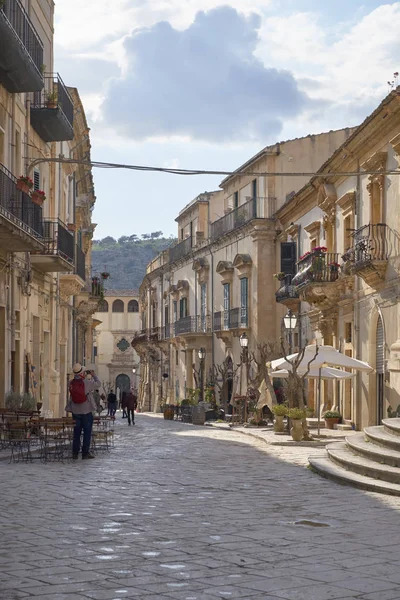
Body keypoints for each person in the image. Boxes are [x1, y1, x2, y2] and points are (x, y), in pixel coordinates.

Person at [67, 364, 101, 460]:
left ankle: (75, 453)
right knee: (87, 433)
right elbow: (98, 384)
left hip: (75, 411)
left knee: (76, 433)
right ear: (82, 372)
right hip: (86, 411)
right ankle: (85, 453)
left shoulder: (70, 383)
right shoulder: (87, 382)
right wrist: (94, 375)